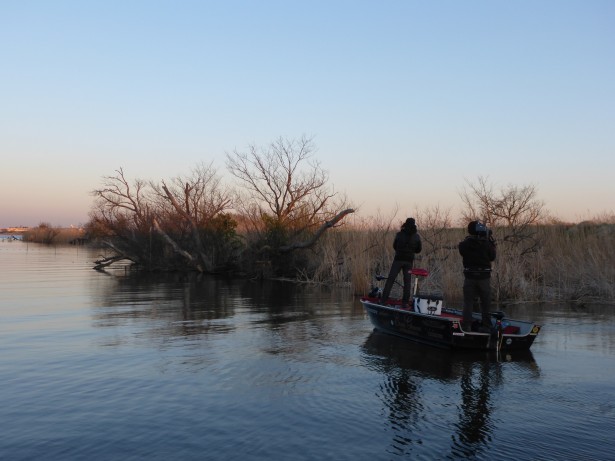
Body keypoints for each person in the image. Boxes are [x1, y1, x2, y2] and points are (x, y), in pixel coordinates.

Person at [458, 220, 497, 332]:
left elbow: (462, 250)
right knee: (485, 302)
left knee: (468, 302)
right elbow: (492, 257)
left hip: (469, 276)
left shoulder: (464, 244)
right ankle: (486, 326)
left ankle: (466, 326)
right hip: (484, 277)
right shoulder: (487, 244)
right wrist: (490, 241)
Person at [381, 217, 422, 307]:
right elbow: (419, 250)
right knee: (407, 282)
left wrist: (401, 250)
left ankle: (383, 301)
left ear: (405, 224)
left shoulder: (399, 234)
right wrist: (411, 250)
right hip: (409, 261)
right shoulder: (416, 236)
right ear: (414, 225)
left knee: (390, 280)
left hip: (398, 260)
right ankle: (405, 303)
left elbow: (395, 246)